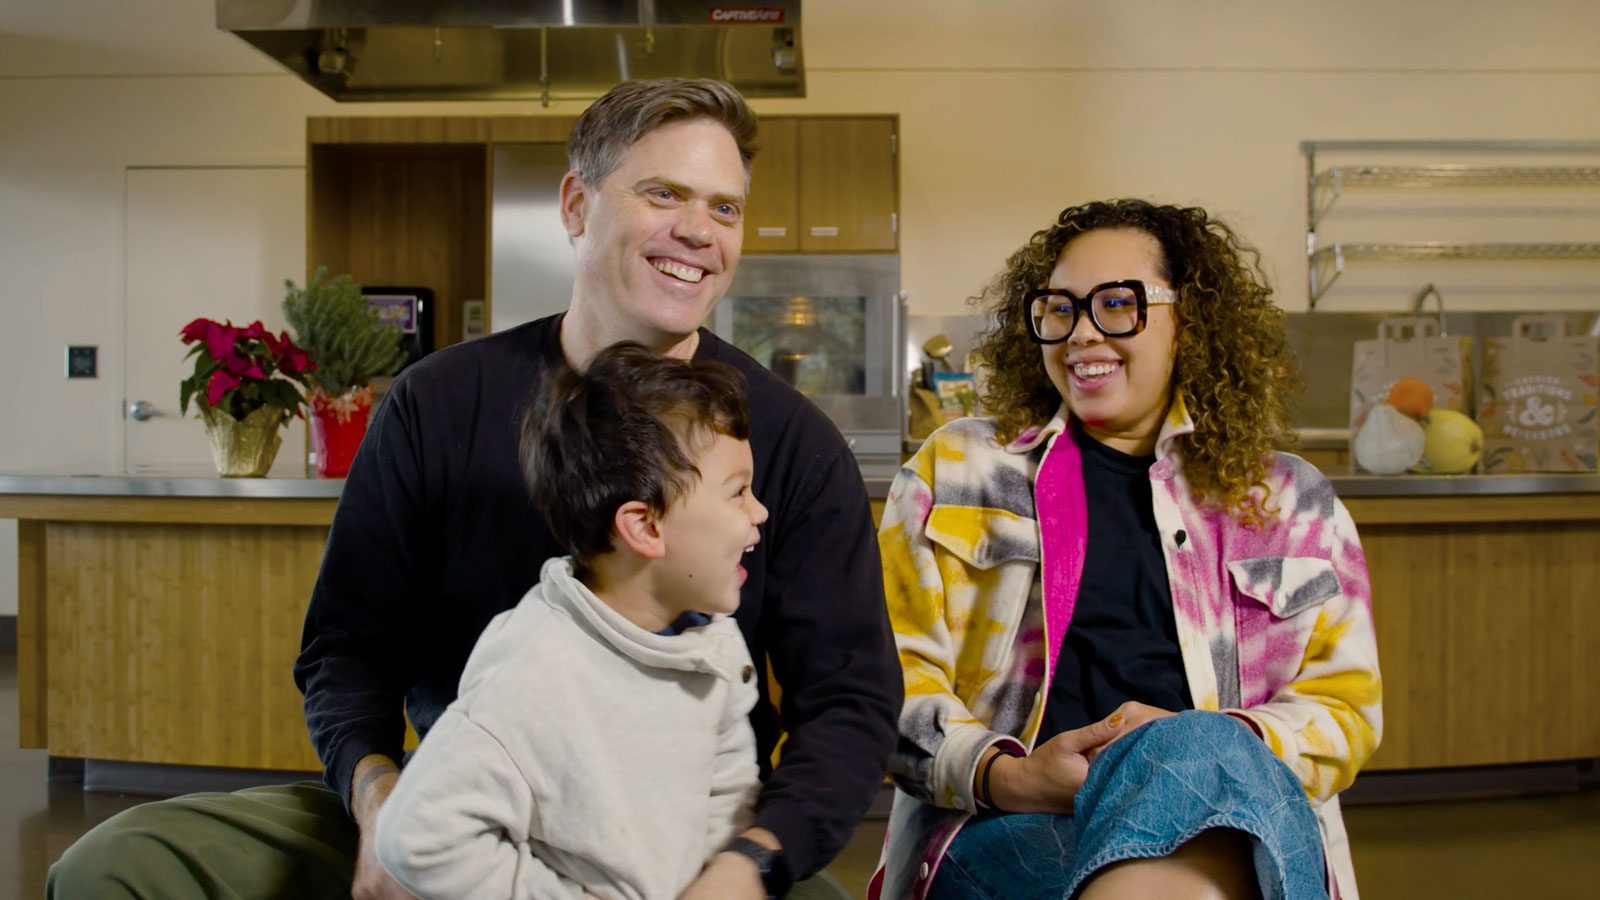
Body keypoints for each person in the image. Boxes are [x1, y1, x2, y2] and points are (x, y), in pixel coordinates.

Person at [48, 78, 901, 900]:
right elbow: (346, 649)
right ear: (576, 204)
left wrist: (748, 866)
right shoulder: (436, 404)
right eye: (664, 194)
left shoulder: (794, 444)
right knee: (120, 863)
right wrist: (378, 799)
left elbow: (852, 704)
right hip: (461, 814)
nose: (697, 231)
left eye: (724, 208)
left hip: (686, 845)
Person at [870, 199, 1381, 900]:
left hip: (1234, 833)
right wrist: (1007, 775)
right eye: (1060, 308)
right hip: (1014, 823)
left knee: (1197, 746)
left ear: (1191, 323)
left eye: (1117, 304)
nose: (1082, 335)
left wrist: (1192, 755)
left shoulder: (1294, 501)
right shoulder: (955, 472)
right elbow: (884, 682)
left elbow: (1345, 711)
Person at [375, 343, 767, 899]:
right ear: (646, 528)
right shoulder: (533, 671)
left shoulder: (714, 643)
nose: (760, 512)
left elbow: (728, 789)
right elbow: (416, 837)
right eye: (739, 493)